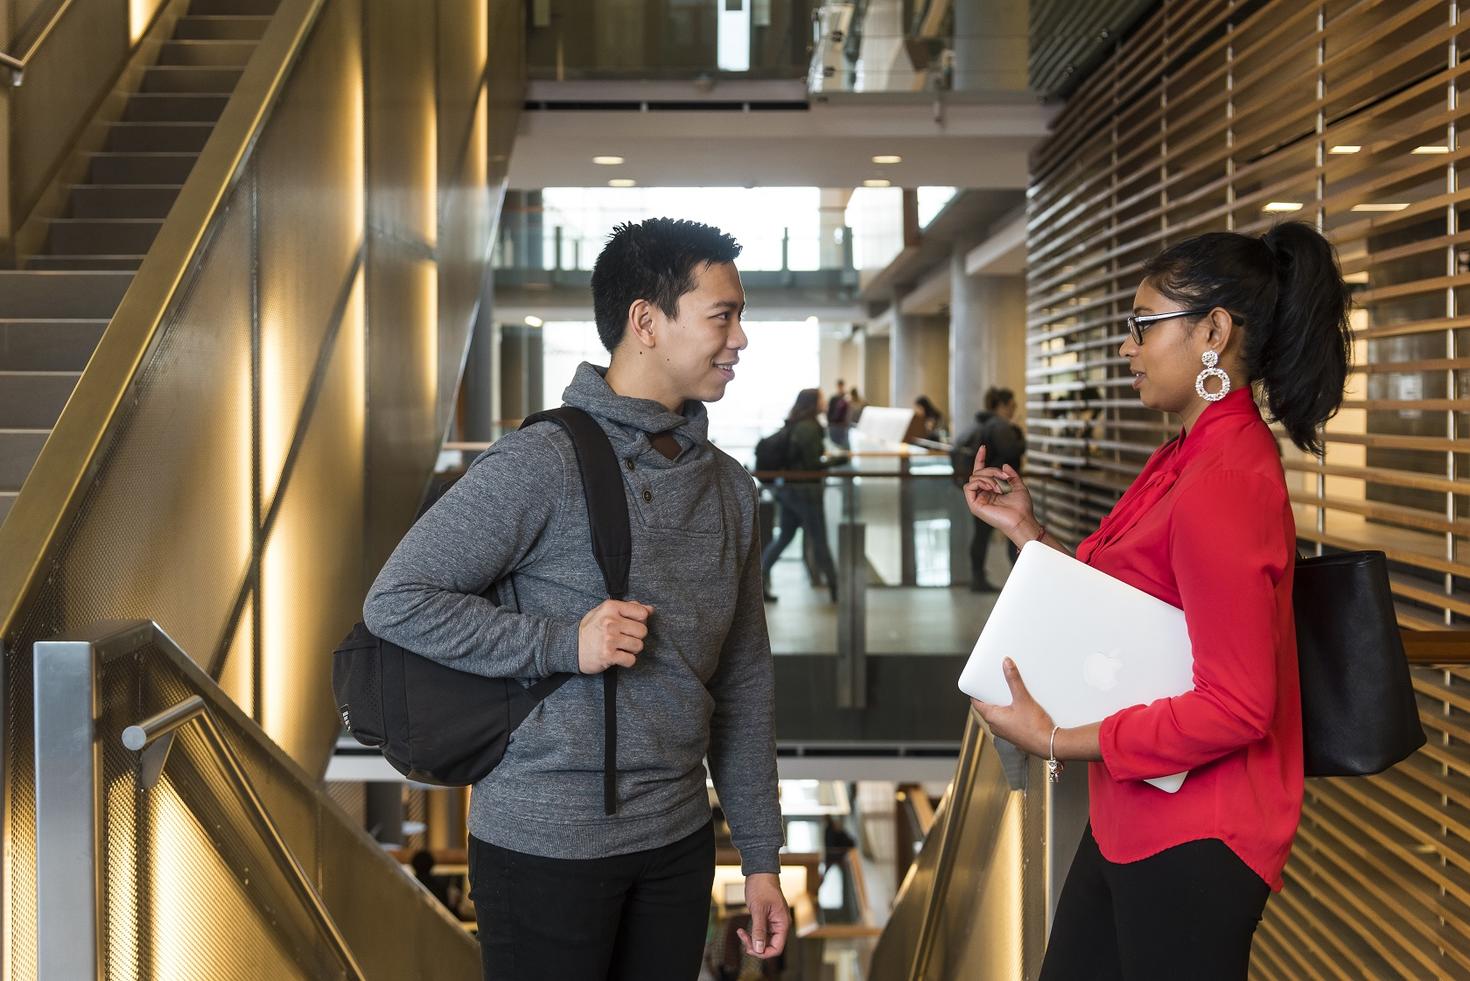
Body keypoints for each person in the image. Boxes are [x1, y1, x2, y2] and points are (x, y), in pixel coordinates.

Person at [364, 217, 790, 980]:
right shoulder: (542, 461)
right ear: (646, 321)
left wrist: (760, 855)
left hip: (677, 844)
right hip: (541, 844)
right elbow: (399, 598)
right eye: (723, 315)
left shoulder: (730, 487)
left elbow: (744, 678)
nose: (740, 339)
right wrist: (565, 643)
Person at [963, 221, 1350, 980]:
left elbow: (1239, 705)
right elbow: (1133, 605)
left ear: (1212, 331)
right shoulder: (1188, 452)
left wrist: (1053, 738)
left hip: (1196, 837)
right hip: (1139, 813)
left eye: (1143, 326)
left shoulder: (1224, 478)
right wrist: (1028, 532)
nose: (1127, 346)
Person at [760, 388, 842, 603]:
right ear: (814, 402)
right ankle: (837, 588)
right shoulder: (809, 427)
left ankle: (758, 579)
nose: (825, 401)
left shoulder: (797, 423)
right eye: (822, 398)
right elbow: (812, 465)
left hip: (789, 490)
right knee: (819, 540)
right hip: (806, 492)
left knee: (785, 537)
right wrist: (838, 460)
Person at [951, 387, 1025, 591]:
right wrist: (1019, 437)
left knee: (981, 535)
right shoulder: (1001, 426)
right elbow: (1012, 451)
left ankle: (978, 578)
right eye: (1011, 405)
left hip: (981, 488)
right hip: (999, 489)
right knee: (1015, 533)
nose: (1014, 409)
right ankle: (1020, 581)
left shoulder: (978, 423)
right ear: (1001, 406)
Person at [827, 379, 852, 449]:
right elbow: (830, 411)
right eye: (839, 386)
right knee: (834, 444)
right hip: (834, 424)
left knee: (844, 445)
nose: (840, 388)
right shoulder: (833, 398)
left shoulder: (847, 398)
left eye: (841, 386)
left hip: (843, 425)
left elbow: (848, 412)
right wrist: (830, 422)